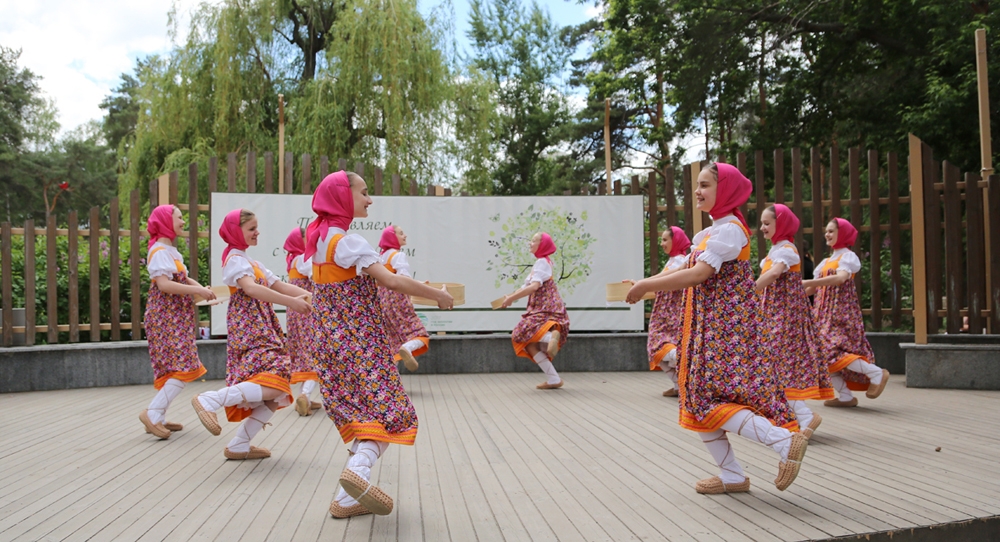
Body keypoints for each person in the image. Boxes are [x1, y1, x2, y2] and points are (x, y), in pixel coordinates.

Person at [626, 163, 807, 494]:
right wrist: (644, 286)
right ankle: (732, 476)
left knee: (706, 399)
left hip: (725, 332)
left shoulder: (730, 230)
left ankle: (783, 441)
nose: (698, 190)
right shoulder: (710, 233)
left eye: (706, 185)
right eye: (697, 184)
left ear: (725, 191)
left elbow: (699, 275)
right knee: (696, 399)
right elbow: (688, 277)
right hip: (708, 328)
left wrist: (646, 284)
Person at [304, 171, 453, 519]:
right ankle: (358, 472)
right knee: (392, 414)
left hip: (330, 345)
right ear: (343, 197)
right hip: (360, 344)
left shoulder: (320, 243)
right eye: (364, 193)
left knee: (364, 415)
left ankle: (344, 500)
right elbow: (391, 281)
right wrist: (437, 295)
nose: (370, 200)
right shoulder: (349, 242)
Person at [191, 209, 312, 460]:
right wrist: (292, 302)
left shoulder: (251, 262)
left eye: (256, 227)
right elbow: (251, 289)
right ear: (237, 231)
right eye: (251, 228)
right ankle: (210, 399)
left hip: (261, 325)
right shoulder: (235, 260)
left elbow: (279, 285)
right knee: (275, 376)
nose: (257, 232)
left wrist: (311, 296)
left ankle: (239, 445)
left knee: (278, 389)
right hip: (250, 326)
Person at [755, 204, 834, 438]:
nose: (762, 228)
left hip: (785, 316)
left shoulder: (786, 249)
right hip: (774, 314)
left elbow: (774, 274)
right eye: (762, 223)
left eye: (767, 223)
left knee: (777, 362)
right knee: (774, 363)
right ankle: (796, 416)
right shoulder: (776, 250)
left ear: (782, 224)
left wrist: (748, 291)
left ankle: (802, 415)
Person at [139, 204, 215, 439]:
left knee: (175, 365)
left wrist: (200, 289)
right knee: (184, 366)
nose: (183, 222)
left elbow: (183, 277)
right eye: (179, 218)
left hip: (173, 317)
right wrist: (199, 292)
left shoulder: (168, 250)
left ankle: (158, 416)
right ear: (165, 221)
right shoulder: (160, 251)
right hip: (166, 318)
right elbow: (164, 285)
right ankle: (152, 413)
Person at [803, 218, 889, 407]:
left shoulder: (847, 257)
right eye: (827, 231)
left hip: (839, 311)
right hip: (823, 312)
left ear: (843, 234)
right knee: (821, 352)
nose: (827, 234)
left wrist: (810, 283)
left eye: (832, 231)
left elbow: (840, 279)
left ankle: (875, 373)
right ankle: (845, 396)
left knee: (829, 350)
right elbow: (812, 290)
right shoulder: (826, 261)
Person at [500, 232, 570, 390]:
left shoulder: (541, 262)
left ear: (542, 245)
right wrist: (511, 296)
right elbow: (526, 287)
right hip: (547, 306)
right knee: (530, 344)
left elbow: (533, 287)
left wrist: (511, 299)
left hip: (544, 307)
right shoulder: (543, 262)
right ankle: (553, 379)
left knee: (520, 332)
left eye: (533, 241)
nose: (530, 243)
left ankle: (550, 337)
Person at [642, 226, 691, 397]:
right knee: (657, 348)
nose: (662, 243)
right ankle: (679, 385)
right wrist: (641, 284)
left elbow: (665, 281)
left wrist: (642, 284)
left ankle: (683, 360)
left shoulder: (679, 261)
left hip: (670, 313)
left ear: (675, 240)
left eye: (665, 239)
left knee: (658, 345)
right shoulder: (674, 261)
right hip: (665, 311)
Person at [377, 225, 431, 372]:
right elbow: (403, 279)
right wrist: (419, 287)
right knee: (420, 334)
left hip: (384, 304)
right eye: (401, 233)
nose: (405, 235)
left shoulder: (381, 257)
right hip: (399, 301)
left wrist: (418, 283)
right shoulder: (397, 255)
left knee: (392, 340)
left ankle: (390, 381)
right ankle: (407, 348)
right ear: (392, 237)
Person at [283, 226, 322, 416]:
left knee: (304, 350)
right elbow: (316, 276)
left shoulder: (292, 261)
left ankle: (303, 397)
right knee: (314, 351)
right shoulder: (304, 259)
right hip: (306, 309)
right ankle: (305, 394)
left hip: (294, 312)